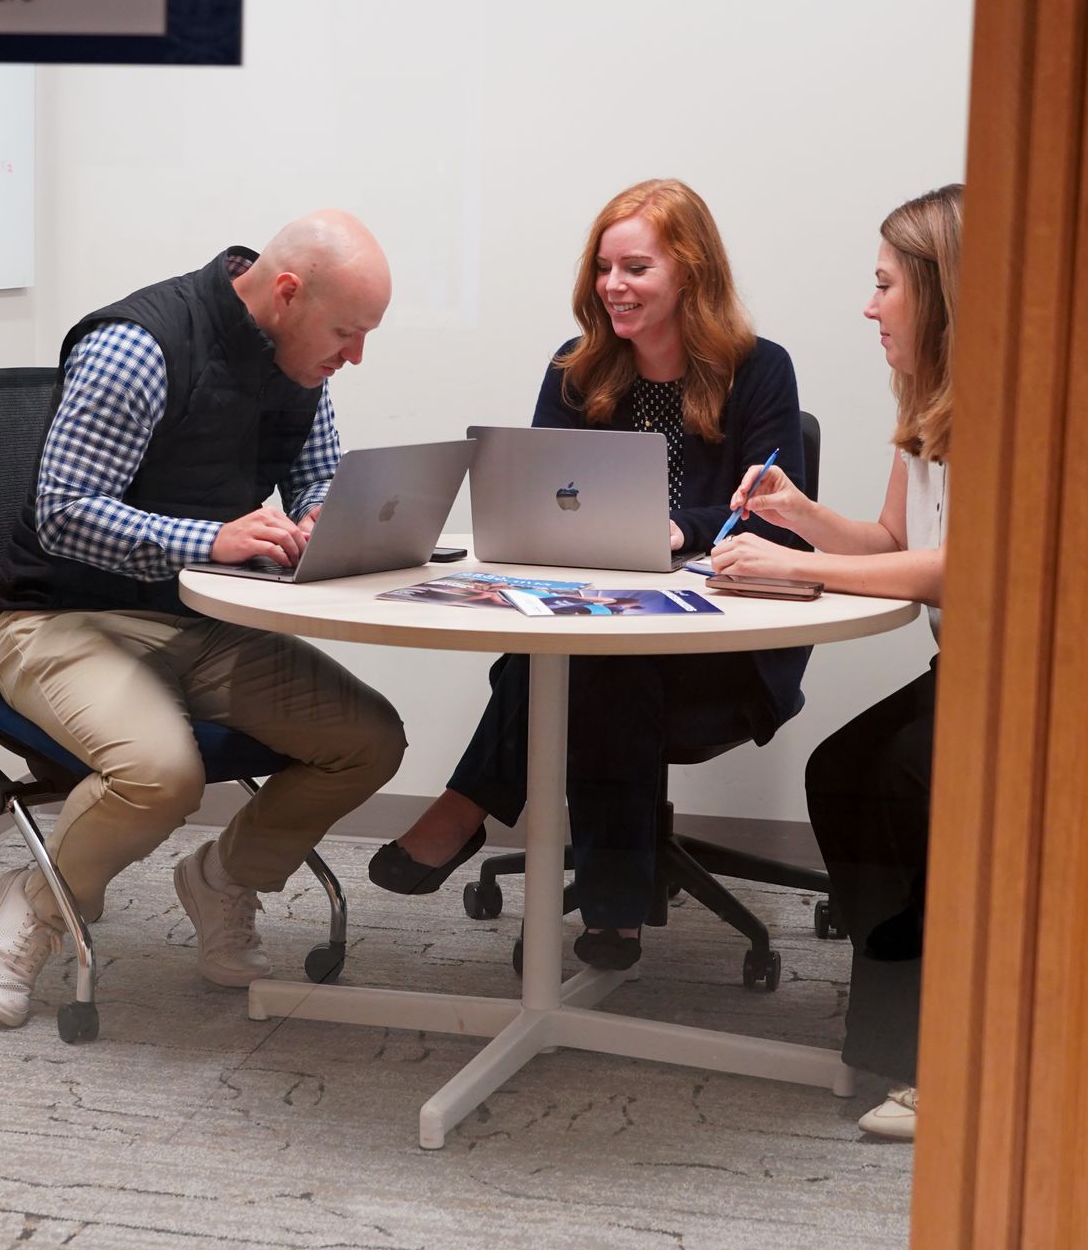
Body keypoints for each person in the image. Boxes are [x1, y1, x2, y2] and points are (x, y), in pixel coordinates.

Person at [0, 212, 409, 1027]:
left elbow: (316, 484)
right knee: (162, 774)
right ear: (286, 294)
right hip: (65, 620)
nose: (355, 356)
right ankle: (37, 899)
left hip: (201, 622)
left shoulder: (300, 372)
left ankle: (222, 879)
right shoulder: (139, 347)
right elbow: (63, 514)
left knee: (369, 740)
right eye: (347, 332)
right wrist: (211, 538)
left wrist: (321, 524)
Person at [367, 179, 811, 972]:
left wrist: (684, 529)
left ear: (691, 273)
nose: (613, 286)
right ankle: (612, 905)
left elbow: (777, 515)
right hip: (601, 631)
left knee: (578, 667)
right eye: (604, 267)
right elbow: (541, 504)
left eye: (636, 268)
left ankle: (468, 809)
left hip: (725, 649)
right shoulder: (576, 371)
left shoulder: (759, 371)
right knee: (595, 661)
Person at [712, 183, 962, 1141]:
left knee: (900, 779)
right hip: (964, 671)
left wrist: (797, 566)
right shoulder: (929, 405)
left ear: (938, 294)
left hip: (1039, 687)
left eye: (884, 285)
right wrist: (801, 515)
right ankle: (894, 1038)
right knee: (846, 773)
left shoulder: (1011, 404)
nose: (870, 307)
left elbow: (962, 566)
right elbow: (896, 536)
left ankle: (948, 1059)